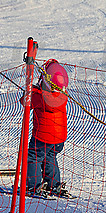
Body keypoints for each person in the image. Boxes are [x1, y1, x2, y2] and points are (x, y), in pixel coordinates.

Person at [24, 59, 71, 198]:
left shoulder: (39, 97)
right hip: (59, 139)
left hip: (42, 137)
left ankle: (34, 186)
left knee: (34, 157)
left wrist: (30, 90)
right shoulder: (63, 96)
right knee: (50, 157)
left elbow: (25, 102)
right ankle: (54, 185)